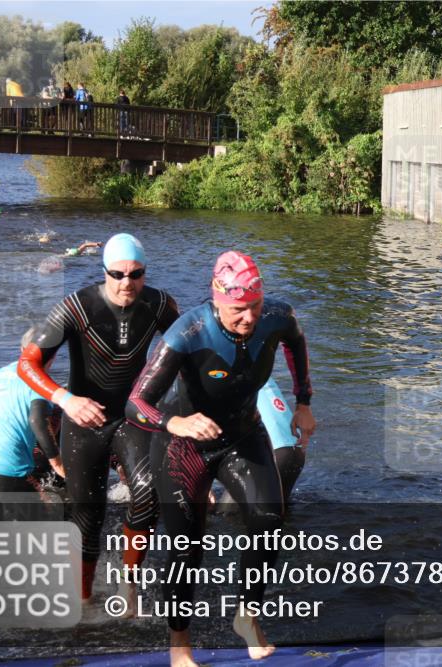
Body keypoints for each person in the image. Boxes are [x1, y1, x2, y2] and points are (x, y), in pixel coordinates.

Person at [126, 251, 315, 666]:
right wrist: (174, 424)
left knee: (268, 519)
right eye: (237, 310)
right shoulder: (187, 331)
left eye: (254, 307)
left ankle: (247, 616)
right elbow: (136, 402)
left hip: (243, 435)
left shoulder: (277, 316)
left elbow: (296, 343)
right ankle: (180, 645)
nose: (248, 318)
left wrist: (303, 402)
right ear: (217, 301)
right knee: (186, 550)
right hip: (184, 446)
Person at [18, 233, 179, 605]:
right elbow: (27, 364)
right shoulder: (77, 307)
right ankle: (83, 601)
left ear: (145, 272)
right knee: (88, 519)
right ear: (104, 271)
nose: (127, 283)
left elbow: (187, 347)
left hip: (129, 416)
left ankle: (129, 585)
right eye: (118, 274)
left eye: (136, 274)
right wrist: (65, 399)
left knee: (149, 493)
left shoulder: (158, 304)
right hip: (83, 422)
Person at [0, 328, 65, 495]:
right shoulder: (40, 381)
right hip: (8, 472)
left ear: (21, 350)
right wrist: (58, 464)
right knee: (51, 517)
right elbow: (38, 421)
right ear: (53, 355)